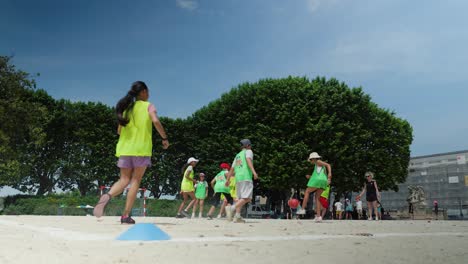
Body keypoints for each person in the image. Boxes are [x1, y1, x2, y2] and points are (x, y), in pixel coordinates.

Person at [93, 81, 169, 224]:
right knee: (135, 180)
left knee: (124, 180)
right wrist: (164, 138)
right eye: (148, 91)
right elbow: (156, 121)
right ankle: (125, 215)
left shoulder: (127, 109)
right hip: (141, 149)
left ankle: (108, 195)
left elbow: (119, 131)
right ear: (143, 92)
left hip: (125, 149)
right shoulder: (148, 106)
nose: (149, 94)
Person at [226, 139, 258, 223]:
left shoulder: (237, 155)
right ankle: (231, 208)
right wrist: (254, 172)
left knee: (240, 199)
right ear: (247, 145)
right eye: (250, 145)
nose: (250, 146)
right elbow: (248, 160)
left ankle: (237, 217)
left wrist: (228, 179)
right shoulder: (248, 151)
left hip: (238, 178)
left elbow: (232, 169)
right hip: (246, 176)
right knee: (247, 198)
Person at [297, 152, 332, 222]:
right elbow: (321, 175)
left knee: (307, 191)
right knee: (317, 198)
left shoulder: (318, 161)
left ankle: (303, 209)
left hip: (318, 181)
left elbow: (328, 165)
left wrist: (330, 173)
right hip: (323, 182)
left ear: (314, 159)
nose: (310, 161)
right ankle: (319, 217)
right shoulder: (319, 166)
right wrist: (310, 177)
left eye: (311, 160)